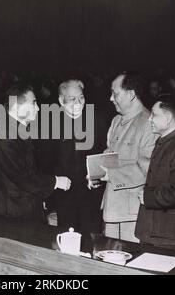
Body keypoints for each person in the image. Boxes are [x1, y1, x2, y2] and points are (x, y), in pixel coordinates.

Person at [0, 83, 71, 221]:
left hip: (23, 202)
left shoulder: (16, 128)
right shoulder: (4, 134)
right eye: (33, 103)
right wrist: (55, 182)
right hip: (13, 209)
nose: (37, 108)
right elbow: (21, 176)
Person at [94, 73, 158, 242]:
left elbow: (147, 168)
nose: (111, 98)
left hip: (132, 212)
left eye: (115, 94)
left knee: (130, 262)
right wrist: (95, 174)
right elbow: (110, 156)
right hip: (111, 208)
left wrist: (111, 175)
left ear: (131, 95)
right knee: (108, 258)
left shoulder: (148, 123)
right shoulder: (116, 121)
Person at [41, 80, 108, 235]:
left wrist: (98, 178)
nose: (78, 103)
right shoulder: (50, 124)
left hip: (91, 196)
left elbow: (104, 153)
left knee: (92, 240)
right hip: (64, 197)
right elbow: (45, 163)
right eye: (72, 99)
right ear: (61, 101)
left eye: (81, 97)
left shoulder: (96, 120)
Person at [135, 95, 175, 250]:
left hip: (170, 236)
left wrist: (147, 197)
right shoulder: (167, 142)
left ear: (168, 118)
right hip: (158, 232)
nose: (150, 119)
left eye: (154, 115)